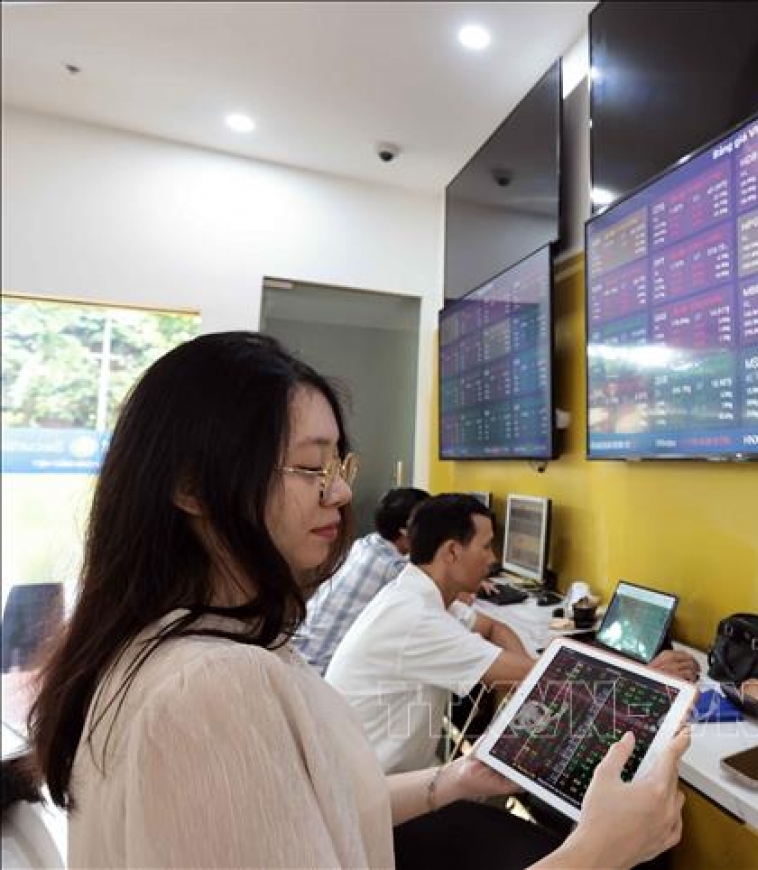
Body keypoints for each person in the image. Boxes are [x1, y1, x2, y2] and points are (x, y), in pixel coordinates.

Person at [21, 331, 688, 870]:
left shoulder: (186, 643)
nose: (339, 495)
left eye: (340, 467)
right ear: (193, 485)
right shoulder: (213, 685)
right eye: (311, 467)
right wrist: (599, 853)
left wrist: (452, 781)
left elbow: (312, 808)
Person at [327, 493, 537, 773]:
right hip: (372, 796)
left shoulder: (416, 593)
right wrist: (527, 675)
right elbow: (532, 678)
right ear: (451, 552)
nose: (493, 558)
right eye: (486, 547)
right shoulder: (417, 618)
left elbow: (493, 627)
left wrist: (522, 676)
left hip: (390, 775)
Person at [294, 486, 430, 674]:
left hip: (300, 654)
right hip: (322, 672)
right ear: (406, 532)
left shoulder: (365, 545)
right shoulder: (394, 570)